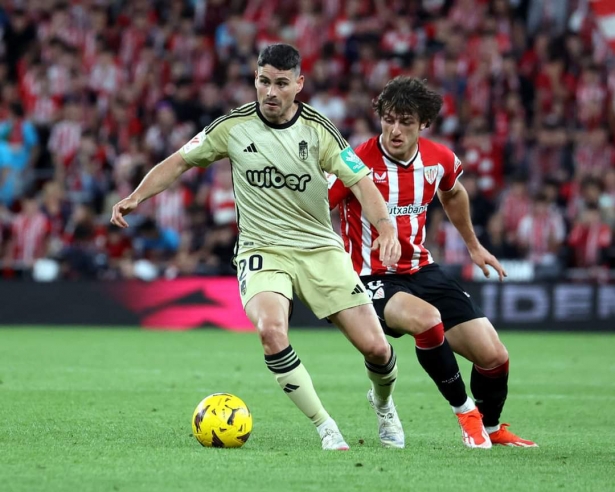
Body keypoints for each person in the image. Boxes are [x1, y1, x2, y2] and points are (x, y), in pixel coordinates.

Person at [111, 44, 404, 451]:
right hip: (262, 248)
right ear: (255, 79)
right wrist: (137, 196)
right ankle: (325, 426)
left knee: (376, 347)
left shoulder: (319, 130)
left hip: (319, 248)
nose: (270, 91)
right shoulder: (232, 127)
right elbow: (179, 161)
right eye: (263, 81)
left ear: (298, 85)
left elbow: (360, 181)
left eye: (281, 83)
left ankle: (384, 404)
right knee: (271, 332)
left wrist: (386, 226)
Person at [329, 76, 537, 448]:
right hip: (369, 277)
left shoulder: (438, 159)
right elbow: (313, 210)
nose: (394, 130)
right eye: (388, 119)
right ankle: (465, 414)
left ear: (423, 123)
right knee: (428, 321)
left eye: (405, 122)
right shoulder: (353, 161)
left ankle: (490, 427)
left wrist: (473, 245)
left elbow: (453, 193)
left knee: (494, 356)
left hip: (421, 268)